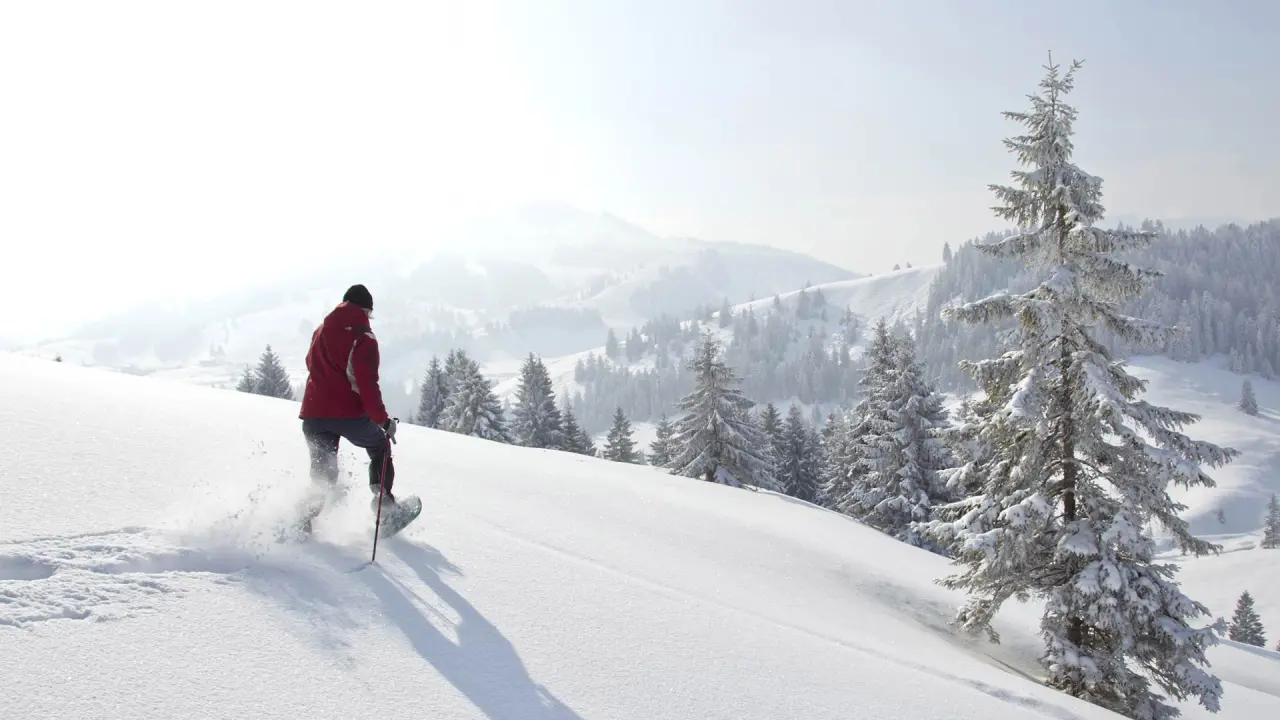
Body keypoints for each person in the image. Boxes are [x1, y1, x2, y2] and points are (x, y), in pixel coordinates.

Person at [297, 283, 404, 532]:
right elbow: (367, 383)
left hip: (313, 415)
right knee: (380, 446)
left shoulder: (320, 329)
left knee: (322, 479)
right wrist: (383, 421)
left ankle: (298, 525)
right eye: (370, 314)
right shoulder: (362, 337)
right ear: (365, 310)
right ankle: (385, 508)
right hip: (348, 415)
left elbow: (309, 362)